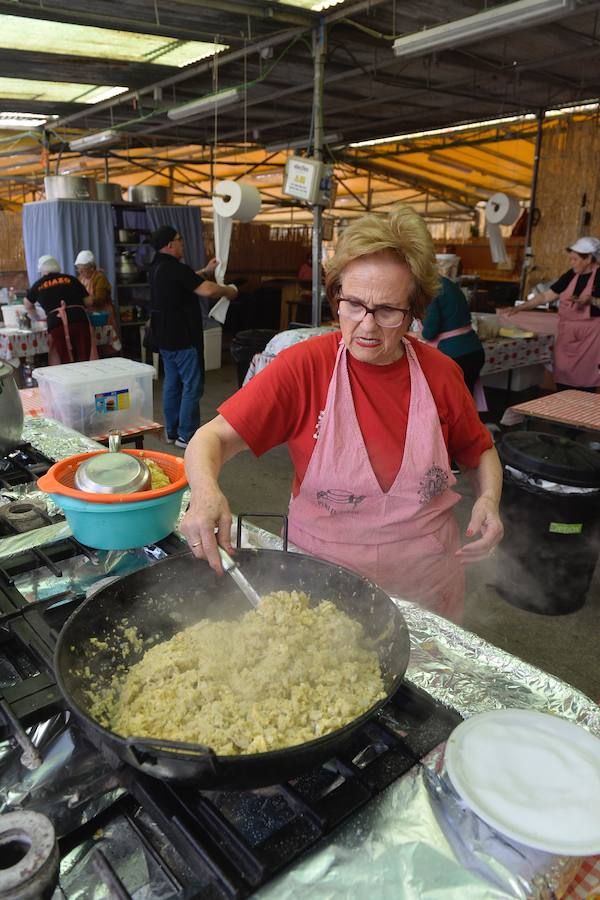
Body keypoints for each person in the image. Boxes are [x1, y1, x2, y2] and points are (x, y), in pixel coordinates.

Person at [180, 206, 504, 623]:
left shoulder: (441, 374)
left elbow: (480, 451)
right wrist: (206, 494)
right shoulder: (304, 366)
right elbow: (213, 438)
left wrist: (490, 501)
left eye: (388, 311)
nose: (367, 326)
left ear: (414, 312)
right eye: (353, 305)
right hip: (321, 581)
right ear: (336, 297)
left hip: (425, 583)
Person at [148, 224, 238, 449]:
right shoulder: (175, 268)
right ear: (170, 244)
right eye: (179, 240)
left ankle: (171, 431)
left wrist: (206, 271)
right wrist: (229, 291)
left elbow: (187, 279)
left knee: (172, 383)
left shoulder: (157, 267)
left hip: (164, 338)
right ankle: (186, 435)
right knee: (191, 386)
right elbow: (208, 290)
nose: (182, 243)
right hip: (183, 337)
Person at [506, 236, 600, 391]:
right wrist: (521, 307)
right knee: (562, 373)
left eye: (575, 259)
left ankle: (580, 412)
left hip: (590, 337)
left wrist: (592, 300)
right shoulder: (571, 274)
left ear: (589, 258)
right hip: (567, 333)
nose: (572, 263)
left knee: (585, 380)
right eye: (571, 259)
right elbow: (546, 296)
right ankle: (560, 409)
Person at [24, 255, 97, 364]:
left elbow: (27, 304)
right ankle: (86, 379)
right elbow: (89, 302)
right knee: (84, 358)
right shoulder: (70, 279)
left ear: (42, 271)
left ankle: (69, 379)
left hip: (56, 324)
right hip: (79, 320)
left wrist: (37, 317)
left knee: (64, 361)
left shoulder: (38, 284)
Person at [421, 276, 485, 394]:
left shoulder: (429, 286)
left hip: (453, 355)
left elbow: (429, 332)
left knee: (451, 405)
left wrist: (412, 333)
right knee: (465, 403)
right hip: (472, 349)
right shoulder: (444, 282)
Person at [74, 250, 118, 332]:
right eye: (78, 269)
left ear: (91, 268)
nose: (80, 272)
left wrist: (87, 301)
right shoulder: (80, 279)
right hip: (91, 315)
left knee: (106, 341)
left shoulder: (100, 278)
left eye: (82, 270)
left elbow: (101, 298)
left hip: (103, 315)